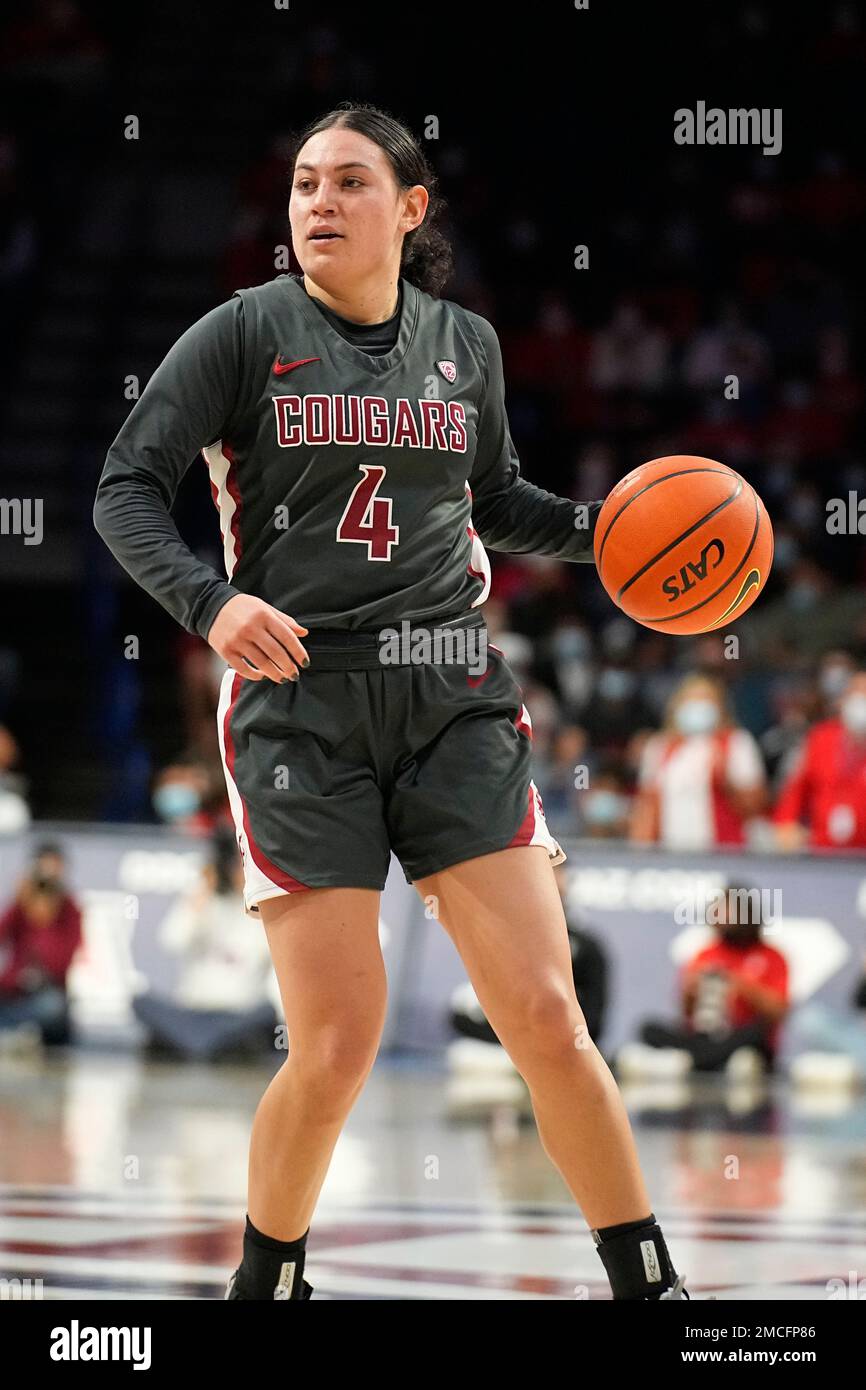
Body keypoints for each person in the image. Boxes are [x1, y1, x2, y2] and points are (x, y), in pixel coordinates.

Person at [93, 102, 690, 1302]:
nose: (316, 202)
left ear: (409, 210)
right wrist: (210, 607)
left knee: (543, 1016)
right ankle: (268, 1280)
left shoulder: (464, 344)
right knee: (333, 1045)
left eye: (348, 182)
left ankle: (650, 1287)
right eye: (304, 183)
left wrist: (607, 541)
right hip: (298, 702)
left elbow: (496, 499)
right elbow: (125, 490)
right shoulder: (239, 334)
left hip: (452, 693)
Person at [132, 826, 279, 1061]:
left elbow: (271, 957)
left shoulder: (263, 909)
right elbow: (172, 941)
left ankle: (200, 1047)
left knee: (265, 1014)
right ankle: (206, 1047)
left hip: (238, 1016)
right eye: (233, 865)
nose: (238, 872)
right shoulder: (202, 901)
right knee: (140, 1001)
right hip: (193, 1012)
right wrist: (202, 893)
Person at [633, 882, 789, 1075]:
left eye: (728, 912)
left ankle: (692, 1060)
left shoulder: (771, 957)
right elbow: (686, 1013)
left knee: (755, 1034)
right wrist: (691, 991)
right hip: (707, 1035)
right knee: (648, 1027)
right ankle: (707, 1059)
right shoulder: (706, 954)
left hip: (742, 1036)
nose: (721, 918)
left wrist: (741, 985)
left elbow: (777, 1012)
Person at [630, 673, 767, 850]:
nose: (697, 706)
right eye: (691, 700)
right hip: (669, 851)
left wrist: (725, 777)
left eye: (705, 700)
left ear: (718, 707)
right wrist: (639, 852)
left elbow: (756, 807)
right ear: (678, 706)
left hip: (724, 850)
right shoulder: (660, 746)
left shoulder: (735, 742)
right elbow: (647, 807)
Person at [0, 841, 82, 1047]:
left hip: (46, 994)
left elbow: (58, 963)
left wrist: (46, 920)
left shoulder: (70, 910)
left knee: (52, 1006)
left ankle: (22, 1034)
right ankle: (15, 1034)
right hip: (14, 994)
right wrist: (18, 902)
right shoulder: (20, 906)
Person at [773, 669, 866, 851]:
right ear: (842, 701)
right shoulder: (821, 737)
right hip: (824, 849)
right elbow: (796, 787)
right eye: (857, 693)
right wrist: (785, 822)